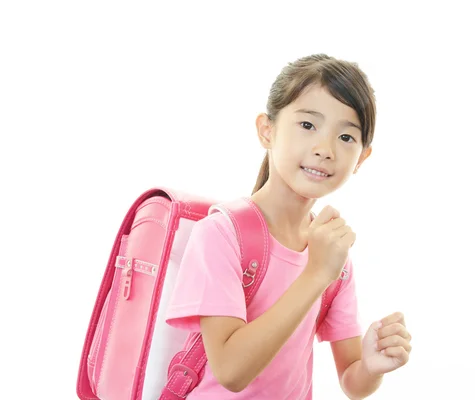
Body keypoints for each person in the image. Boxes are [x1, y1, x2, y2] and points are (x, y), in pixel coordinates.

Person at [165, 53, 412, 399]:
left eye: (346, 137)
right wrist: (315, 274)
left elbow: (353, 383)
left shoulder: (332, 256)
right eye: (308, 125)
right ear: (267, 130)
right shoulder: (222, 234)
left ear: (362, 157)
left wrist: (371, 365)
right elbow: (231, 371)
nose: (325, 149)